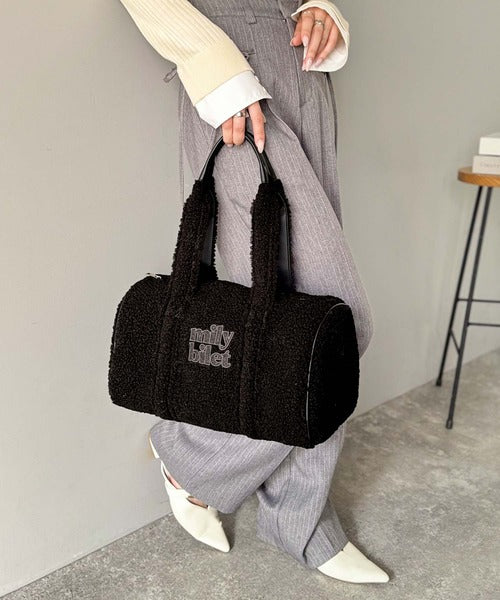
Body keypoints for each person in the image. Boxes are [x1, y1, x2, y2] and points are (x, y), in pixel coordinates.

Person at [118, 0, 389, 584]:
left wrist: (321, 7)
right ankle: (193, 458)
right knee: (334, 332)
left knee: (298, 323)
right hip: (231, 69)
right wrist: (216, 71)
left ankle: (303, 521)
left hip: (303, 64)